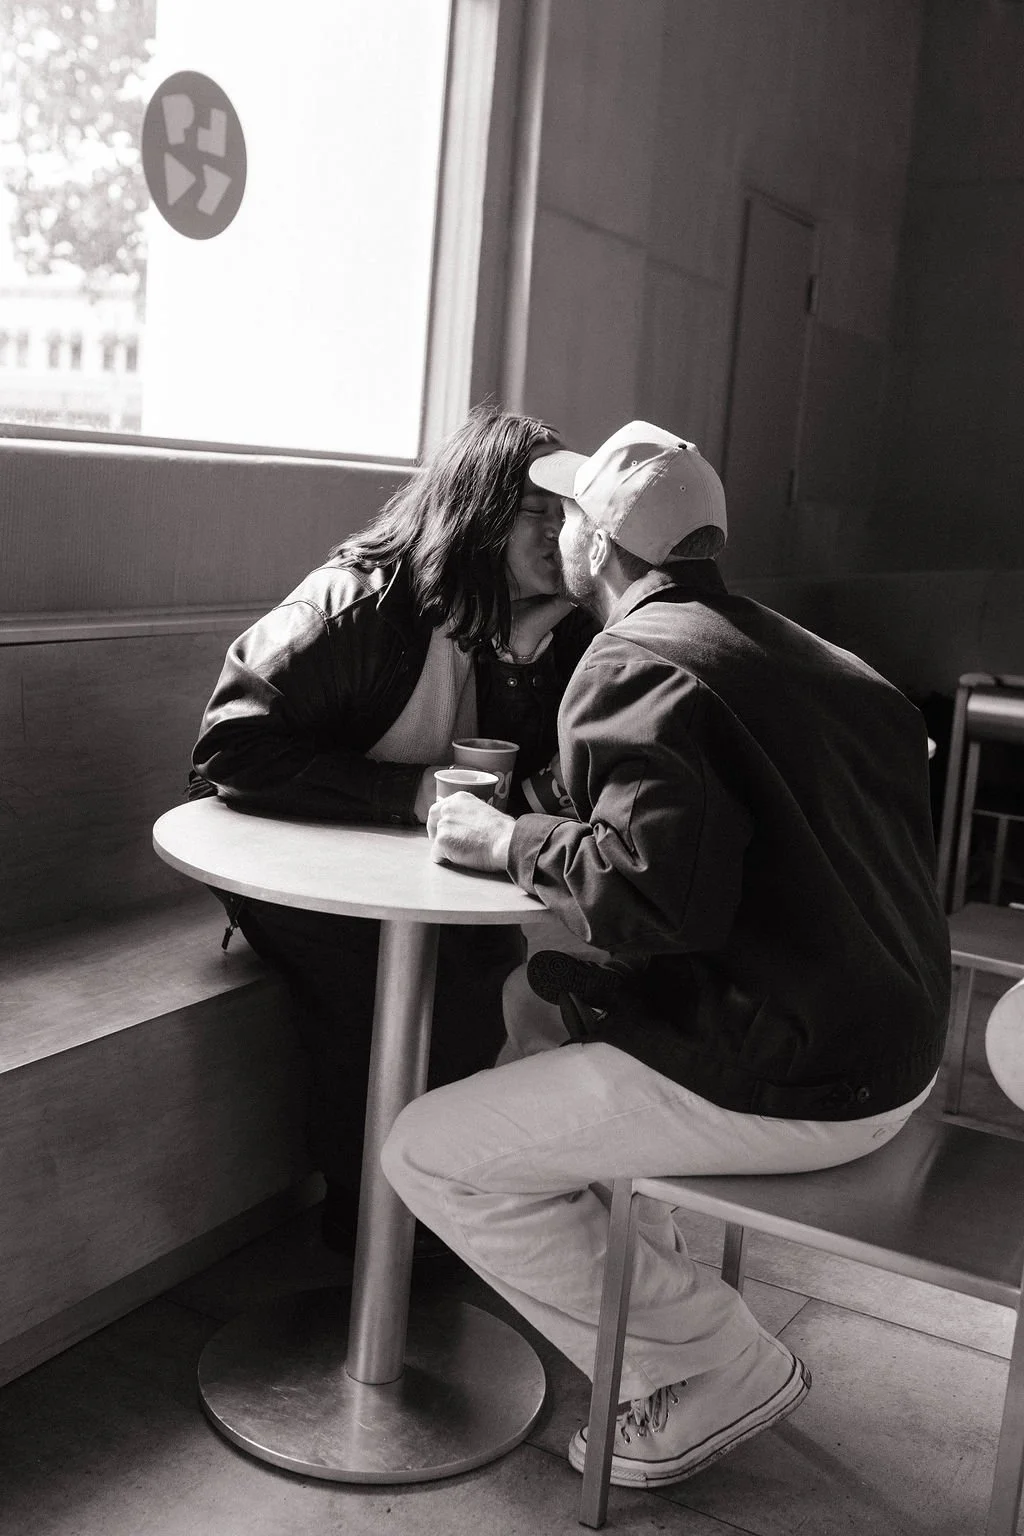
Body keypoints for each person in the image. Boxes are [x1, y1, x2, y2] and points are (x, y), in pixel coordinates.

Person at [381, 420, 951, 1487]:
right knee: (533, 1005)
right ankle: (663, 1301)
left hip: (798, 1071)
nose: (554, 535)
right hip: (899, 1048)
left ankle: (715, 1362)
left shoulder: (634, 658)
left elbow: (647, 902)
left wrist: (505, 839)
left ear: (595, 547)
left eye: (567, 518)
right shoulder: (825, 659)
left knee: (427, 1151)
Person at [189, 403, 593, 1252]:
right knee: (388, 985)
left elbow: (549, 782)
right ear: (481, 514)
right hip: (290, 872)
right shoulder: (358, 606)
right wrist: (404, 795)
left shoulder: (556, 625)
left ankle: (434, 1220)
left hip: (421, 873)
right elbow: (229, 749)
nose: (563, 535)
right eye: (541, 514)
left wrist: (522, 663)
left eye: (572, 515)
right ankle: (370, 1238)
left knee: (491, 973)